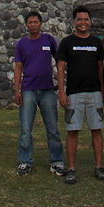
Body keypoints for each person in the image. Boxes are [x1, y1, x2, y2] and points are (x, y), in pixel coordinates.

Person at [56, 5, 104, 184]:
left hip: (94, 92)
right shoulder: (67, 42)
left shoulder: (96, 42)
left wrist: (102, 91)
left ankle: (99, 167)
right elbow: (61, 68)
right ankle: (71, 168)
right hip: (73, 93)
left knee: (97, 130)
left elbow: (100, 68)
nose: (83, 22)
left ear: (90, 21)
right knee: (72, 131)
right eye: (79, 19)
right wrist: (62, 93)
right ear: (74, 22)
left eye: (86, 19)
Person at [14, 11, 66, 177]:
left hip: (47, 90)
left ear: (40, 23)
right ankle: (24, 161)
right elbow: (18, 67)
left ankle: (57, 161)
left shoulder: (49, 40)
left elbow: (59, 61)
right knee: (25, 128)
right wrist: (17, 90)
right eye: (30, 22)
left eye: (35, 22)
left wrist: (60, 81)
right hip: (28, 89)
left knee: (52, 128)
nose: (33, 25)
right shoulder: (21, 44)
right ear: (26, 25)